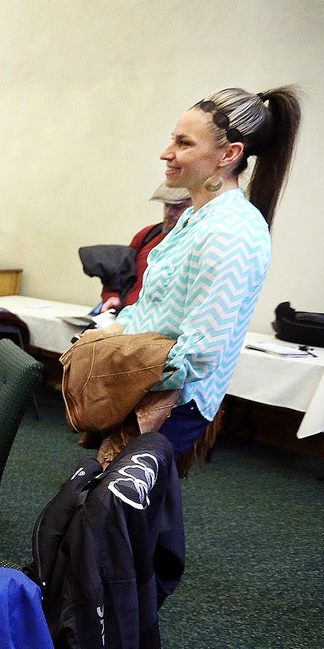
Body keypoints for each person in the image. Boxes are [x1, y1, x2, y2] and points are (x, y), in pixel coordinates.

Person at [111, 86, 302, 456]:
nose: (166, 153)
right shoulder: (197, 218)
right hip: (144, 387)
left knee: (117, 507)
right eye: (173, 140)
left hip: (171, 402)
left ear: (229, 154)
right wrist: (107, 341)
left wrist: (121, 375)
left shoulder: (231, 230)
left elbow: (201, 352)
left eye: (184, 143)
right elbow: (152, 305)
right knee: (117, 507)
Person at [100, 184, 192, 313]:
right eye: (166, 205)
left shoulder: (198, 243)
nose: (169, 213)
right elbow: (120, 272)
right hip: (122, 318)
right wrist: (112, 296)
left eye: (179, 207)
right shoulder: (148, 234)